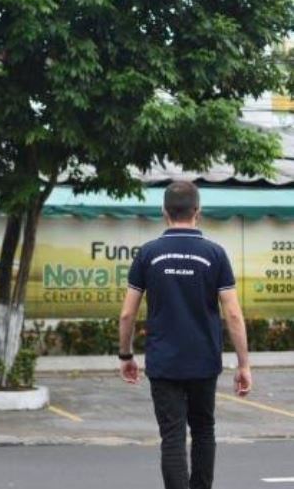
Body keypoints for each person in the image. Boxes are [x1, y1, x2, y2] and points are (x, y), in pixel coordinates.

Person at [118, 180, 251, 489]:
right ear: (197, 212)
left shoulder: (149, 254)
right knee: (204, 430)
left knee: (172, 437)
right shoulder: (215, 254)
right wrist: (244, 365)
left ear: (164, 211)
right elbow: (232, 313)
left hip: (164, 363)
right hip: (204, 361)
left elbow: (127, 313)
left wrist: (126, 355)